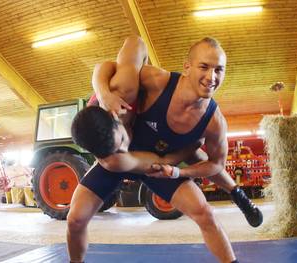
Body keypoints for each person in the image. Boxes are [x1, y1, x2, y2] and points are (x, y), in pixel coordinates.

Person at [68, 36, 248, 263]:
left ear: (117, 115)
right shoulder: (115, 159)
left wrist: (104, 93)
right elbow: (164, 160)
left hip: (158, 153)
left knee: (205, 212)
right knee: (75, 219)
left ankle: (236, 201)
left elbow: (118, 55)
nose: (125, 145)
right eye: (119, 147)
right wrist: (179, 163)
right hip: (154, 160)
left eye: (123, 138)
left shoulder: (125, 89)